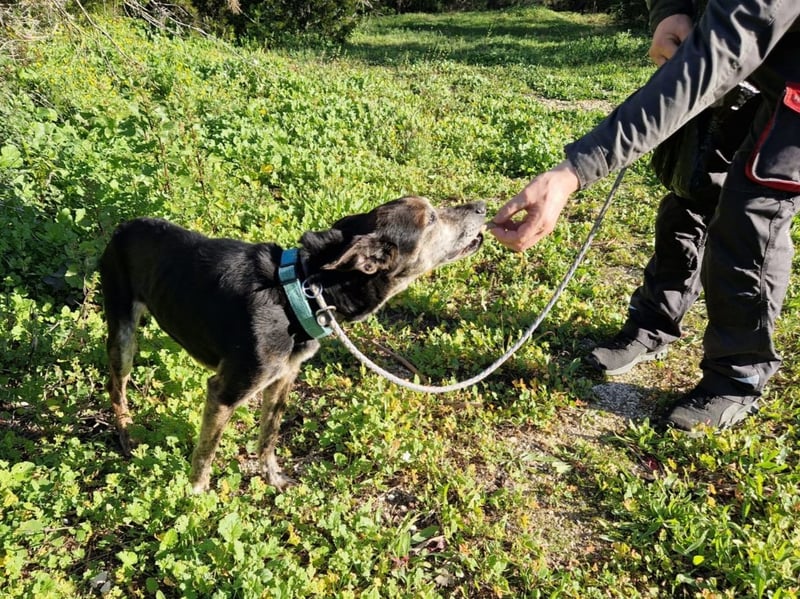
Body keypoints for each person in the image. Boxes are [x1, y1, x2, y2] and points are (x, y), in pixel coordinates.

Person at [490, 0, 800, 430]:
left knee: (749, 215)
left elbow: (716, 58)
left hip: (788, 80)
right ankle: (654, 324)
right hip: (735, 47)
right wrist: (670, 11)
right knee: (691, 184)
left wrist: (572, 172)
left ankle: (737, 377)